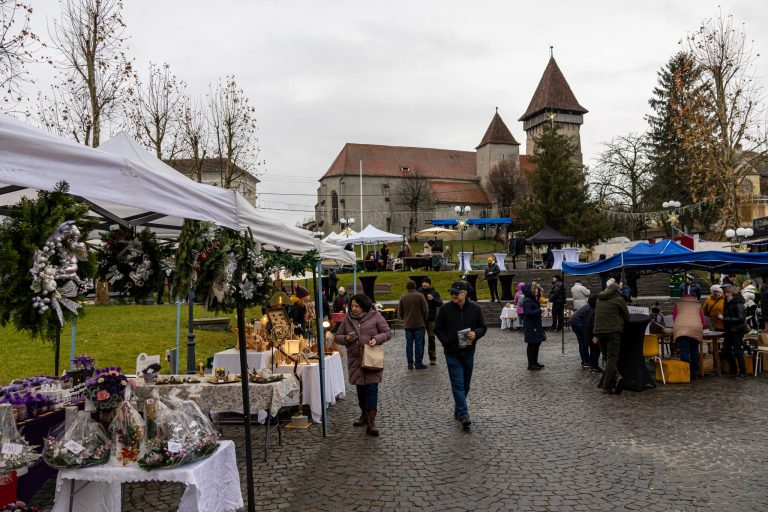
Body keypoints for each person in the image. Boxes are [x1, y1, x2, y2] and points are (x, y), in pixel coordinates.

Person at [334, 294, 392, 436]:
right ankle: (364, 415)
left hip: (372, 358)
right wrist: (347, 338)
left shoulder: (375, 316)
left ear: (364, 306)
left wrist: (376, 339)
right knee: (361, 391)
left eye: (357, 306)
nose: (353, 309)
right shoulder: (347, 319)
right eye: (352, 306)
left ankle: (371, 422)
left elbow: (387, 332)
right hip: (355, 360)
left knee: (372, 389)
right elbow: (337, 336)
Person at [434, 281, 487, 430]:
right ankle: (464, 414)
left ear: (465, 294)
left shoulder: (475, 309)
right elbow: (437, 329)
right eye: (452, 293)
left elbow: (483, 327)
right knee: (457, 384)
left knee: (465, 385)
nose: (453, 295)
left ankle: (458, 409)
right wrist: (446, 342)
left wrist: (475, 334)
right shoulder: (445, 309)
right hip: (452, 353)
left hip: (469, 352)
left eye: (456, 293)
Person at [593, 278, 630, 394]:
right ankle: (607, 385)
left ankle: (617, 378)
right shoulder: (618, 299)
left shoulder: (599, 298)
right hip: (612, 331)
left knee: (606, 357)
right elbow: (627, 316)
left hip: (599, 331)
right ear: (617, 290)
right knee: (612, 357)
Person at [673, 294, 705, 380]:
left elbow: (675, 317)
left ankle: (687, 372)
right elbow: (703, 320)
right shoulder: (698, 304)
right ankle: (695, 372)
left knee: (684, 350)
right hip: (695, 328)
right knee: (694, 350)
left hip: (681, 328)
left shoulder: (678, 303)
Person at [398, 280, 429, 370]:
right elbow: (425, 310)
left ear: (407, 287)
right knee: (419, 344)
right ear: (415, 286)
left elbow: (400, 311)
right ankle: (418, 362)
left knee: (409, 345)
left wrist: (405, 319)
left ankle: (410, 364)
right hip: (419, 324)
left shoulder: (403, 297)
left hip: (408, 325)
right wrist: (424, 319)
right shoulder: (420, 296)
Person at [721, 284, 748, 378]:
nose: (724, 295)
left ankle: (743, 372)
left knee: (738, 351)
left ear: (730, 293)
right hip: (729, 330)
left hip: (737, 330)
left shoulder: (738, 303)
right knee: (726, 351)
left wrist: (725, 318)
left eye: (726, 293)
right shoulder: (728, 301)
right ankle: (733, 370)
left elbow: (741, 318)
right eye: (724, 293)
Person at [418, 277, 443, 365]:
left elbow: (440, 303)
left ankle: (432, 358)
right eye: (423, 282)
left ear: (429, 284)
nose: (424, 284)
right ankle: (419, 359)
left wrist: (433, 299)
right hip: (421, 319)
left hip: (431, 319)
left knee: (431, 338)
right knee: (420, 339)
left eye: (426, 282)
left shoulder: (434, 292)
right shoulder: (419, 292)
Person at [521, 283, 546, 370]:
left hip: (535, 324)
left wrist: (539, 289)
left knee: (537, 343)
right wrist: (539, 310)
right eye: (534, 289)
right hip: (531, 325)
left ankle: (535, 362)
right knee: (532, 344)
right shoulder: (527, 300)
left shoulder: (532, 299)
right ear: (530, 291)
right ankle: (531, 364)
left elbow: (539, 294)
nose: (536, 291)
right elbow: (527, 313)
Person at [570, 300, 592, 369]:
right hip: (578, 323)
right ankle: (586, 361)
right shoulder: (591, 308)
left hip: (574, 321)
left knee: (581, 342)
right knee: (584, 342)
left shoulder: (588, 306)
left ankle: (584, 361)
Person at [583, 295, 602, 373]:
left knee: (593, 351)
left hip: (589, 334)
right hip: (593, 335)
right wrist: (595, 336)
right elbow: (594, 324)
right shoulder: (595, 311)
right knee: (595, 351)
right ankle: (595, 367)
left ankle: (592, 365)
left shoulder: (591, 310)